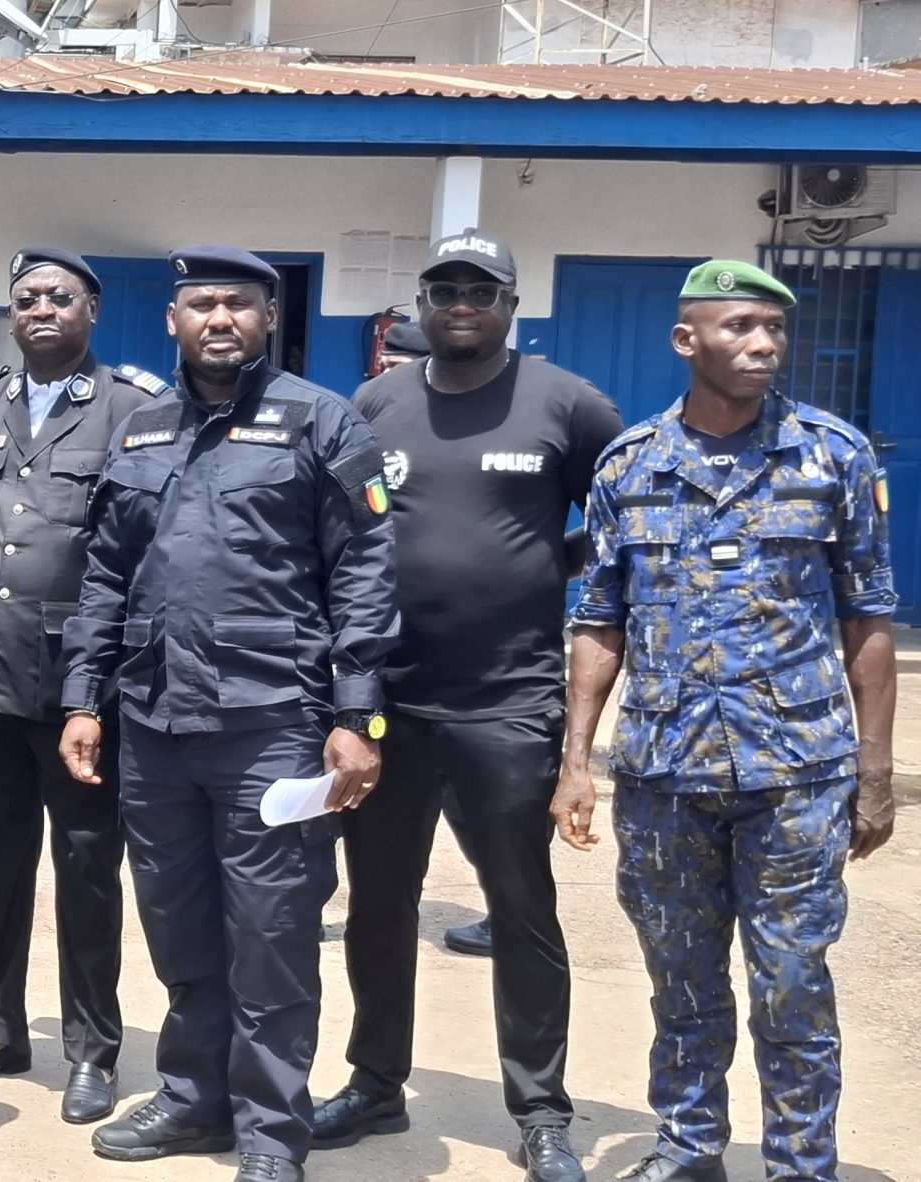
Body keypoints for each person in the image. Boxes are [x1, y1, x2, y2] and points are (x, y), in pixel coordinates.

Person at [58, 246, 398, 1182]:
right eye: (201, 303)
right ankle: (194, 1098)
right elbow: (106, 575)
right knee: (177, 922)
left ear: (269, 318)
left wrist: (357, 716)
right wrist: (83, 696)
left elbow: (366, 572)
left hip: (273, 723)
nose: (219, 319)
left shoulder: (321, 422)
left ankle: (270, 1134)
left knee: (272, 932)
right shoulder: (141, 432)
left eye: (238, 304)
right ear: (173, 319)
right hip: (155, 722)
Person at [556, 259, 898, 1182]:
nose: (763, 344)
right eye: (740, 326)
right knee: (681, 983)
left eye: (774, 329)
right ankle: (688, 1147)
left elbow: (868, 619)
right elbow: (599, 621)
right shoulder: (629, 464)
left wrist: (874, 772)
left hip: (797, 775)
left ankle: (801, 1164)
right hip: (665, 774)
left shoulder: (832, 455)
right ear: (687, 339)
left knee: (792, 985)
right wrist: (576, 762)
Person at [316, 230, 621, 1182]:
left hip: (509, 702)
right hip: (390, 702)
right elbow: (345, 535)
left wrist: (546, 569)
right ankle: (376, 1083)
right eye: (444, 289)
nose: (461, 304)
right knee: (378, 903)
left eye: (480, 291)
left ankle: (541, 1111)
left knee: (521, 907)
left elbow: (618, 528)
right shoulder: (375, 404)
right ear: (419, 303)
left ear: (510, 306)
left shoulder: (567, 404)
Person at [0, 248, 169, 1125]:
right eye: (27, 297)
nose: (41, 309)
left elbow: (144, 549)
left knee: (87, 871)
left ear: (91, 310)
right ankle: (1, 1027)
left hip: (80, 684)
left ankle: (92, 1049)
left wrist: (110, 681)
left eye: (59, 297)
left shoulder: (133, 407)